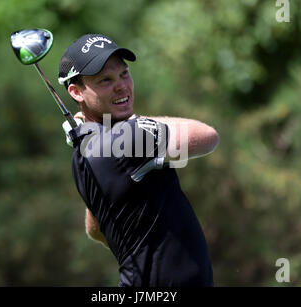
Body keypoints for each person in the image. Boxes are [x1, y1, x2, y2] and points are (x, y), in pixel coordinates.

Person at [58, 34, 219, 287]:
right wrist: (135, 125)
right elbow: (208, 136)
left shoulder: (82, 154)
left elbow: (95, 228)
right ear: (76, 92)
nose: (122, 86)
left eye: (124, 74)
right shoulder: (123, 138)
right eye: (105, 80)